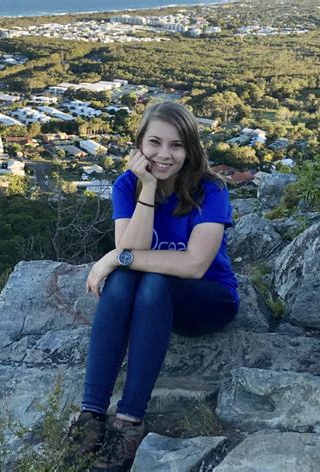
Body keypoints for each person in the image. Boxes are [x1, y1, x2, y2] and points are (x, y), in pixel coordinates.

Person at [64, 101, 239, 471]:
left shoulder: (211, 190)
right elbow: (134, 249)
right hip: (153, 302)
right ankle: (91, 416)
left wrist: (114, 257)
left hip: (208, 301)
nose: (164, 154)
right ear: (139, 144)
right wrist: (147, 188)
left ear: (190, 149)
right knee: (128, 279)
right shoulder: (128, 185)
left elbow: (193, 266)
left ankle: (129, 421)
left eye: (176, 145)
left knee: (149, 277)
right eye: (155, 143)